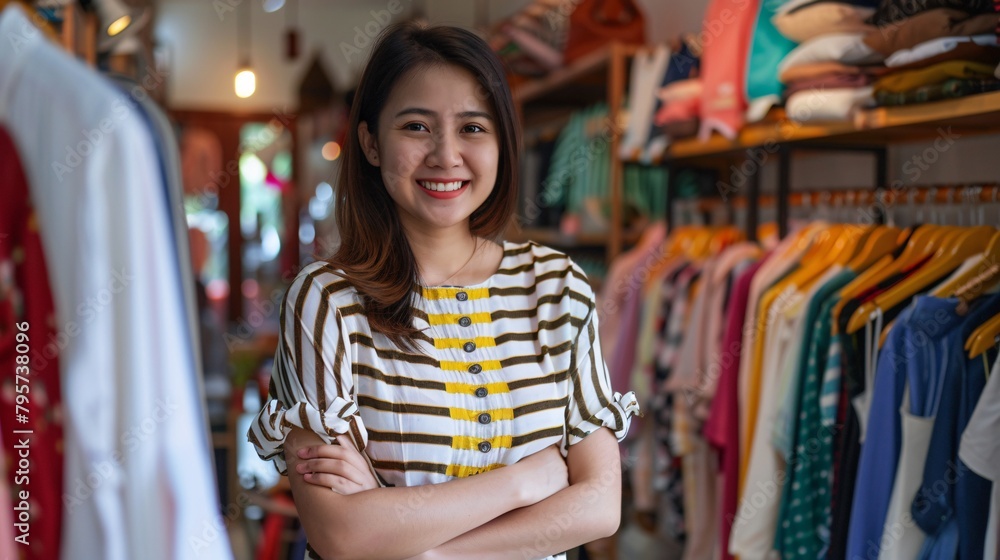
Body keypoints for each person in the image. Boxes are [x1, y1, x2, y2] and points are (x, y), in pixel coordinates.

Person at [248, 21, 639, 560]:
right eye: (416, 126)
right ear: (370, 142)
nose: (446, 155)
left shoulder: (557, 287)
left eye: (473, 128)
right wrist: (527, 482)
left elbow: (598, 507)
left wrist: (426, 549)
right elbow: (340, 535)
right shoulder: (326, 300)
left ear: (502, 141)